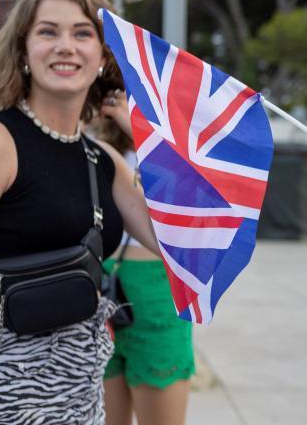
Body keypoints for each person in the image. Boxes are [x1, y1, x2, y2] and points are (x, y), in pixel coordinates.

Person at [0, 0, 157, 425]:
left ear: (103, 56)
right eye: (48, 32)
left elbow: (182, 242)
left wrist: (144, 135)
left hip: (81, 399)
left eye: (82, 33)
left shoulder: (102, 160)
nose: (66, 45)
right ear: (23, 50)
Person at [95, 92, 195, 425]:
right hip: (99, 289)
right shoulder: (95, 146)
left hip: (156, 292)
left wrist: (138, 128)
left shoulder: (170, 147)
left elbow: (187, 205)